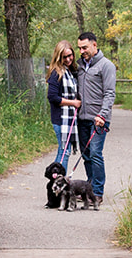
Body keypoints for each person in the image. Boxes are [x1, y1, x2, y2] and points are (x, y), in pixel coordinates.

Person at [75, 31, 116, 208]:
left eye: (84, 47)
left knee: (95, 154)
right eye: (79, 48)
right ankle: (89, 188)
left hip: (99, 119)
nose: (82, 51)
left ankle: (98, 192)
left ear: (94, 45)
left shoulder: (106, 66)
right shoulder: (79, 66)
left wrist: (102, 114)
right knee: (86, 156)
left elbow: (109, 93)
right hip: (82, 118)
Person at [45, 41, 80, 169]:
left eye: (70, 55)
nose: (68, 59)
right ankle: (58, 180)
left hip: (68, 119)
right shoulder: (56, 73)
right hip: (60, 119)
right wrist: (73, 103)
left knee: (63, 151)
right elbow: (52, 96)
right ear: (58, 57)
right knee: (64, 152)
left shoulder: (70, 71)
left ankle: (56, 181)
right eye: (64, 57)